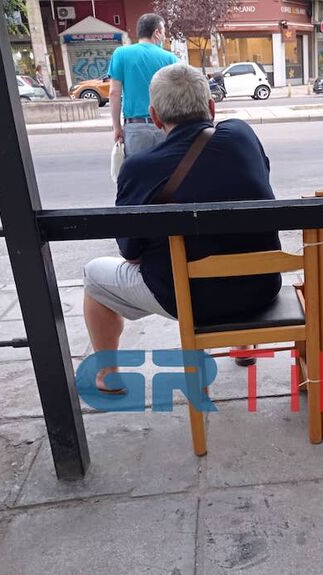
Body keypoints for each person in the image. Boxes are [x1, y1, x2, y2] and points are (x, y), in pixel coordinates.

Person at [83, 63, 282, 391]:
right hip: (260, 287)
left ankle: (108, 375)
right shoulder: (242, 136)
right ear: (211, 107)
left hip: (189, 301)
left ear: (154, 116)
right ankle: (244, 345)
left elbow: (130, 253)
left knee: (93, 276)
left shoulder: (138, 168)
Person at [108, 13, 178, 157]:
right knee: (167, 170)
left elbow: (114, 93)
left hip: (135, 128)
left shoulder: (121, 54)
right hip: (164, 127)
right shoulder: (170, 59)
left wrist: (117, 127)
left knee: (138, 170)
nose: (164, 37)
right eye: (164, 32)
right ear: (156, 33)